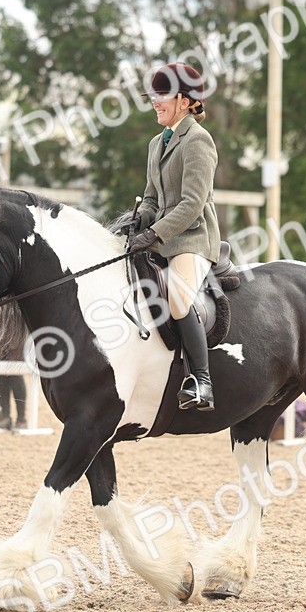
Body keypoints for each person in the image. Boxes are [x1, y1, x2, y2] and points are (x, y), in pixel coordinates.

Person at [130, 61, 222, 411]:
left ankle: (202, 382)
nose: (155, 102)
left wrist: (154, 233)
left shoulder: (198, 141)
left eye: (162, 96)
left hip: (193, 240)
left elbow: (193, 204)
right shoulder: (157, 143)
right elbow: (152, 197)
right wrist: (137, 222)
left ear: (184, 101)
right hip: (161, 236)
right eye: (152, 96)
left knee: (179, 298)